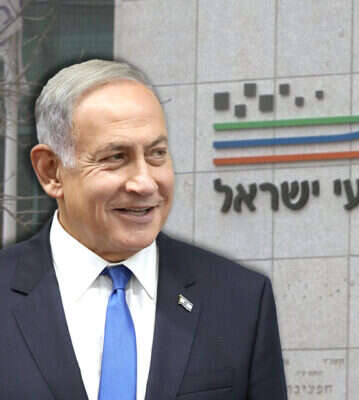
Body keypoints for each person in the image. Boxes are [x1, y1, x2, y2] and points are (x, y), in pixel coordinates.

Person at [0, 59, 287, 399]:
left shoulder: (240, 301)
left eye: (156, 154)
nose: (145, 182)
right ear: (51, 171)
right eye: (116, 157)